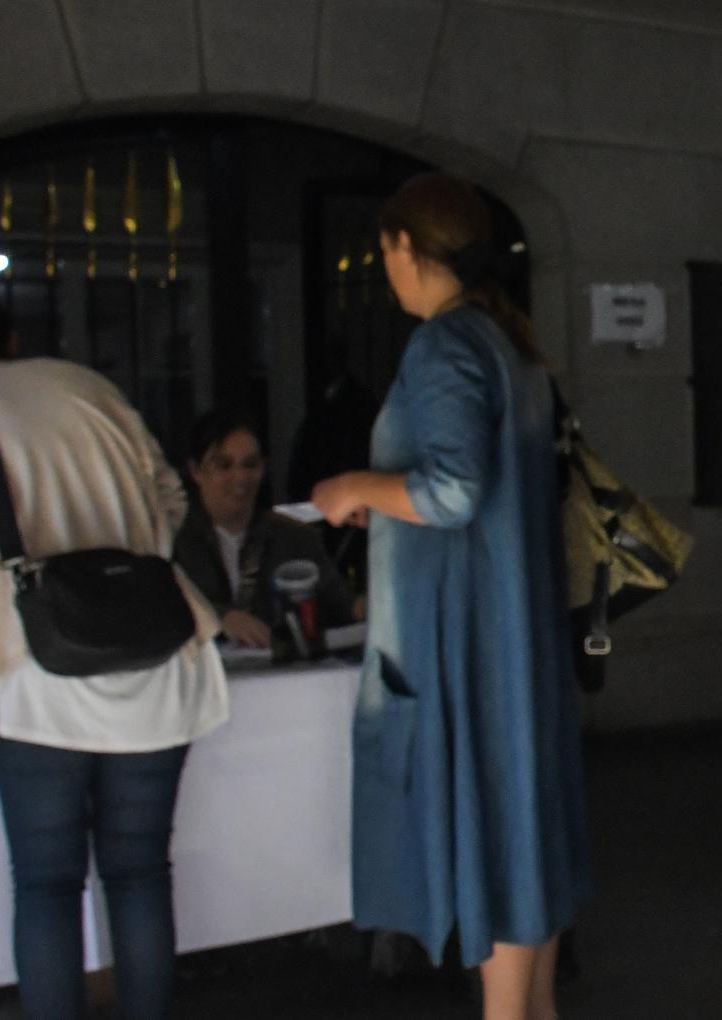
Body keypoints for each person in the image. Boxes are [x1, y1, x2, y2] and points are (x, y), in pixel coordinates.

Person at [0, 280, 227, 1020]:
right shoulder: (88, 386)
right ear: (10, 339)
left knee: (46, 885)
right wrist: (121, 575)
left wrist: (0, 608)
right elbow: (172, 500)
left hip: (31, 672)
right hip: (154, 664)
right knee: (140, 874)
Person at [312, 174, 587, 1020]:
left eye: (385, 251)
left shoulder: (445, 345)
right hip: (517, 638)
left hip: (470, 644)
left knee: (498, 847)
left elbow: (452, 492)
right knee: (524, 844)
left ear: (405, 247)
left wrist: (356, 483)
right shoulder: (513, 348)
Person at [174, 407, 359, 651]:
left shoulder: (295, 537)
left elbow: (341, 608)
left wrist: (367, 607)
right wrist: (218, 618)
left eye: (250, 465)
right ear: (196, 471)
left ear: (263, 468)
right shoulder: (170, 539)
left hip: (279, 679)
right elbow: (153, 611)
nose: (240, 477)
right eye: (224, 465)